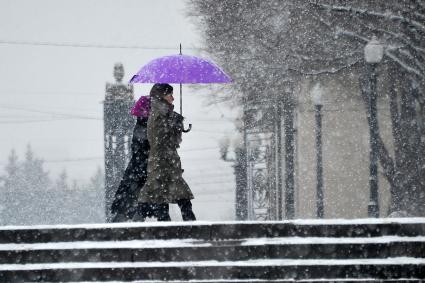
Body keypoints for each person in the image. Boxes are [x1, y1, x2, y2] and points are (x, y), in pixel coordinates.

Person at [139, 83, 196, 221]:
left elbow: (174, 142)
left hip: (168, 163)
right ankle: (189, 230)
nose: (173, 98)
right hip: (161, 164)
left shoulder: (166, 114)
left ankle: (180, 230)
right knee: (168, 200)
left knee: (173, 199)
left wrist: (177, 126)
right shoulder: (158, 115)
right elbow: (159, 140)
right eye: (170, 94)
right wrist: (173, 124)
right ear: (162, 96)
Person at [111, 96, 157, 222]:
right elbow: (146, 148)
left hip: (137, 169)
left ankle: (127, 223)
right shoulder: (145, 127)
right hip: (141, 169)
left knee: (131, 201)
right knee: (135, 201)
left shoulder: (141, 125)